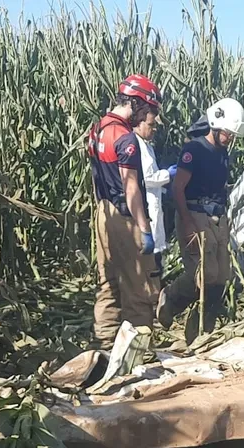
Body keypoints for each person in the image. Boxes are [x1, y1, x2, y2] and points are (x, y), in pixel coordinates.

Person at [157, 98, 244, 342]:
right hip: (195, 213)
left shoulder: (222, 153)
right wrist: (187, 224)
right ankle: (171, 301)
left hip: (217, 216)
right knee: (202, 274)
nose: (230, 138)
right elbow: (178, 189)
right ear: (215, 127)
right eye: (227, 133)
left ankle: (206, 328)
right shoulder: (194, 151)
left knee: (221, 276)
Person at [87, 74, 163, 347]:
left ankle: (105, 345)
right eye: (147, 109)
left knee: (108, 284)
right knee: (139, 288)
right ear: (136, 103)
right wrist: (144, 230)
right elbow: (131, 188)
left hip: (103, 213)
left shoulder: (98, 129)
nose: (147, 116)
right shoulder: (125, 138)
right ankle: (137, 351)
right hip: (125, 217)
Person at [134, 112, 171, 266]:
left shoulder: (146, 145)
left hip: (154, 201)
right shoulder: (136, 145)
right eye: (151, 125)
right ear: (139, 124)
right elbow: (147, 178)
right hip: (146, 206)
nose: (155, 129)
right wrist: (169, 174)